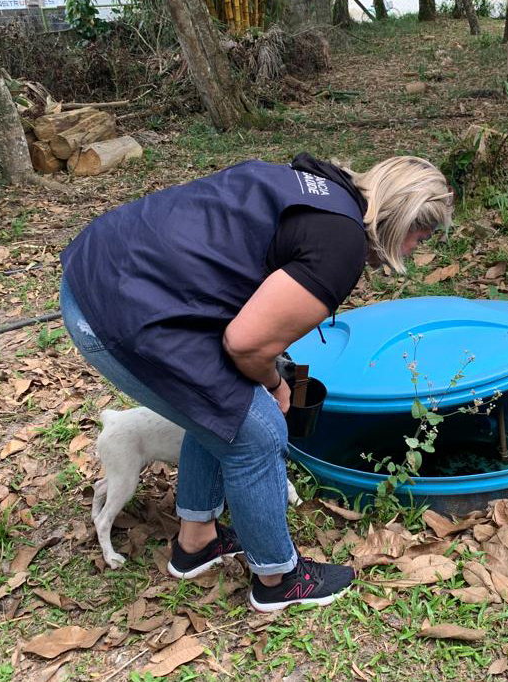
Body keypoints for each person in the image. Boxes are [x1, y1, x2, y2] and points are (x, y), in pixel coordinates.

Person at [59, 152, 453, 612]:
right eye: (418, 239)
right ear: (400, 221)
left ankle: (196, 542)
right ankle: (277, 578)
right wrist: (275, 385)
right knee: (259, 432)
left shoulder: (314, 186)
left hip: (107, 270)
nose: (413, 253)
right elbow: (246, 345)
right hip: (118, 309)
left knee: (218, 407)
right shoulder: (340, 241)